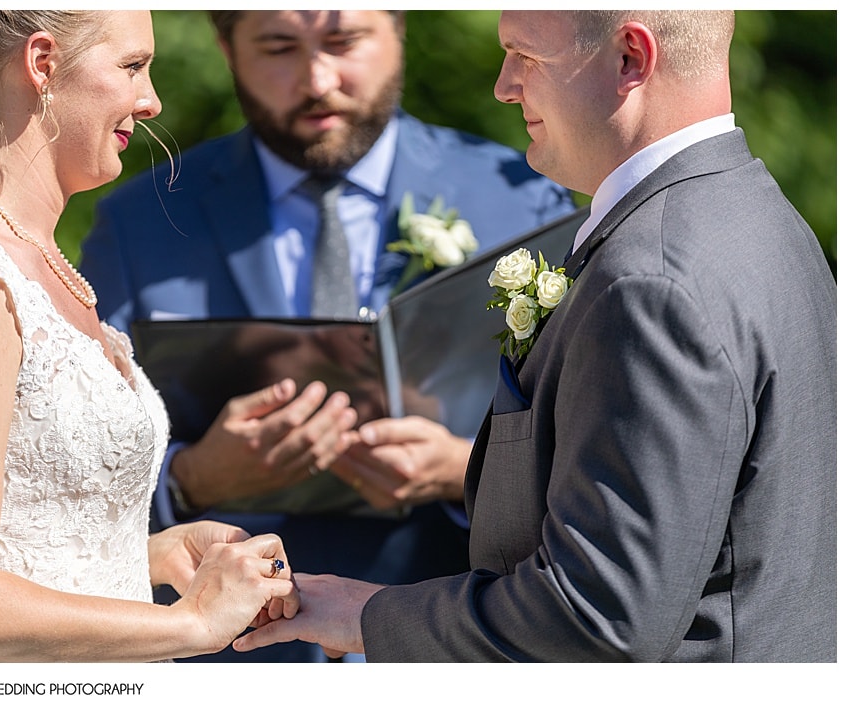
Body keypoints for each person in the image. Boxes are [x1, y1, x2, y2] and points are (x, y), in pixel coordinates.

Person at [233, 10, 837, 662]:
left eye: (524, 55)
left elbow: (595, 623)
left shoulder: (651, 282)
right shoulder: (761, 213)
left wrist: (368, 617)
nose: (503, 84)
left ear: (631, 58)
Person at [79, 9, 574, 662]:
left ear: (399, 32)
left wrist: (464, 470)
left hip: (447, 636)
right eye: (280, 46)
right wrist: (192, 479)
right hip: (234, 658)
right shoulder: (140, 220)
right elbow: (76, 480)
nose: (317, 80)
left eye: (343, 42)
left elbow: (590, 450)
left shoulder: (524, 198)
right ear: (227, 49)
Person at [0, 9, 299, 664]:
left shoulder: (37, 265)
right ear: (42, 64)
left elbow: (16, 537)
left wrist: (143, 555)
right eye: (132, 66)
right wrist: (195, 622)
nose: (150, 102)